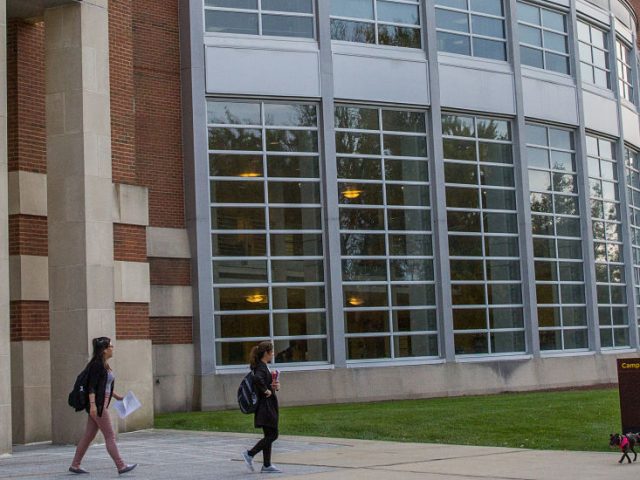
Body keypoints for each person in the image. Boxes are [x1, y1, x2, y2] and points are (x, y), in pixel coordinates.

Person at [69, 337, 137, 475]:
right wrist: (93, 406)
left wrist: (118, 397)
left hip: (99, 406)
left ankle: (75, 465)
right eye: (111, 346)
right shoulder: (97, 365)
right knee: (110, 436)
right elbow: (92, 387)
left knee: (88, 436)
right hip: (99, 407)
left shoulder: (103, 364)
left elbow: (104, 386)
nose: (113, 348)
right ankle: (121, 465)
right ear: (104, 350)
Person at [241, 341, 282, 474]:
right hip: (266, 407)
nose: (273, 354)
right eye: (272, 352)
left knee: (269, 434)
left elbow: (262, 380)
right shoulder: (261, 367)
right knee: (273, 434)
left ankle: (267, 465)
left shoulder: (263, 366)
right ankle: (250, 454)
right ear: (266, 353)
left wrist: (274, 386)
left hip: (266, 406)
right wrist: (266, 390)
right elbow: (258, 379)